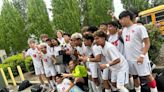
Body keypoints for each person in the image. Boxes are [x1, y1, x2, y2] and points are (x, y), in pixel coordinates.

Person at [119, 10, 158, 92]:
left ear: (128, 17)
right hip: (130, 59)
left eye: (121, 19)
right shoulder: (123, 30)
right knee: (135, 77)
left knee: (148, 76)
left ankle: (154, 90)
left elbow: (147, 43)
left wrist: (142, 56)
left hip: (141, 58)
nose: (120, 21)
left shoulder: (139, 28)